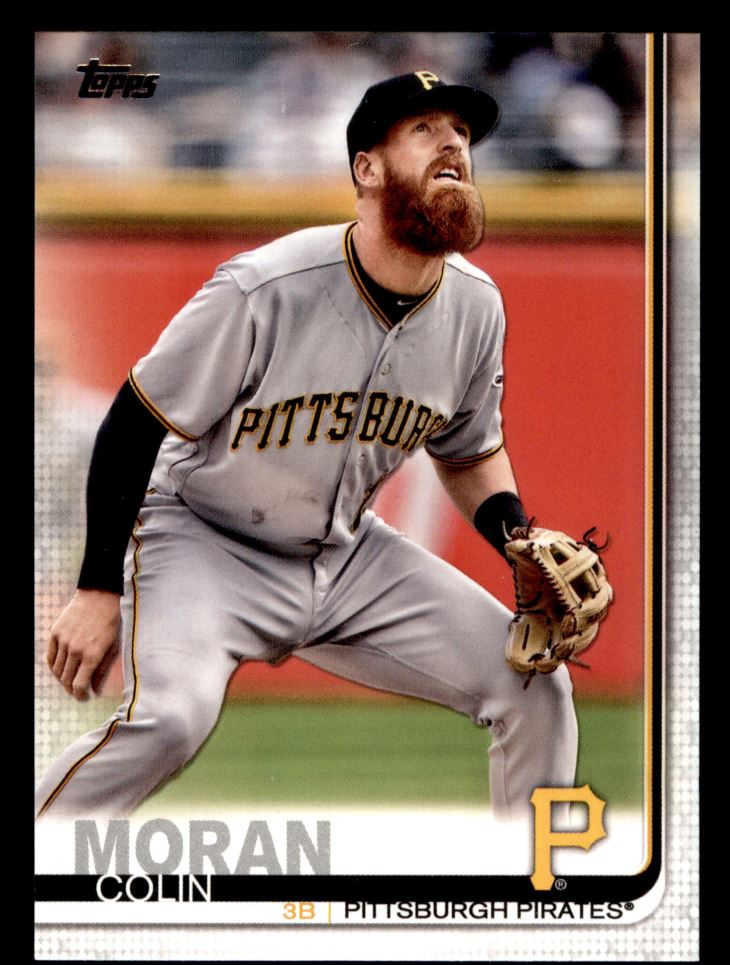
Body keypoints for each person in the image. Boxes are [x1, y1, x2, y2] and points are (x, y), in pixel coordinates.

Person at [36, 72, 577, 822]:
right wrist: (97, 589)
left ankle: (538, 883)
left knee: (535, 684)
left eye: (461, 132)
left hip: (349, 556)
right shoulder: (266, 286)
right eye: (424, 129)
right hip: (204, 543)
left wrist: (516, 539)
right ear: (367, 168)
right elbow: (134, 420)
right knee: (172, 720)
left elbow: (468, 451)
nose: (453, 143)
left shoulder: (475, 307)